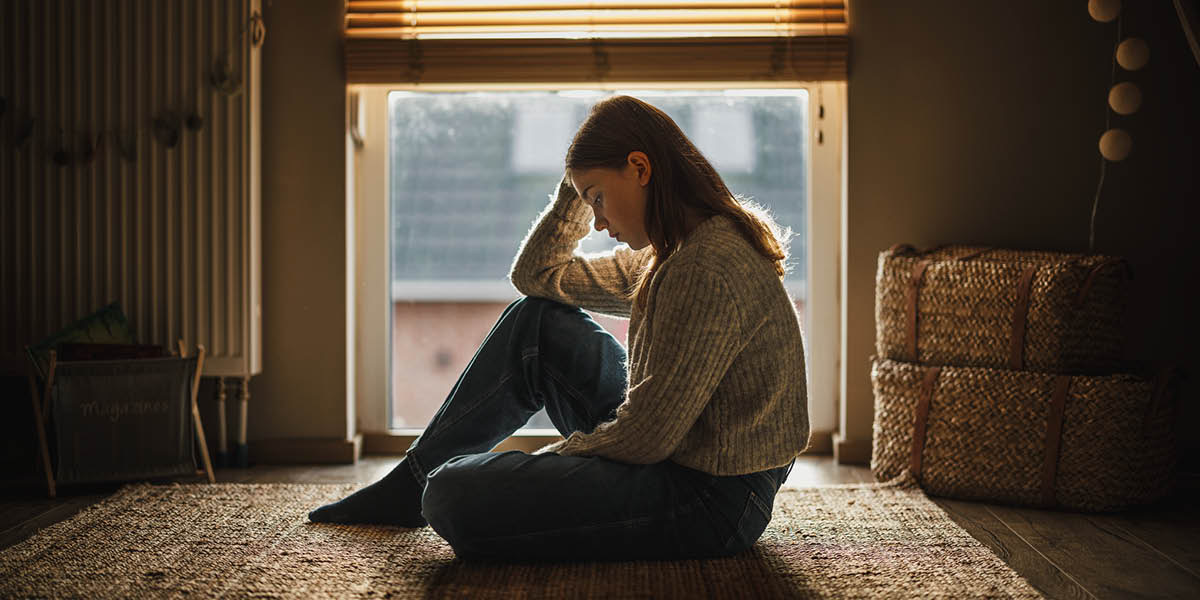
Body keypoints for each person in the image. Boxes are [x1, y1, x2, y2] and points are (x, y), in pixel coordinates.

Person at [308, 95, 810, 563]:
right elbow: (538, 277)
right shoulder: (667, 252)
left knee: (449, 493)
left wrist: (559, 461)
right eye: (586, 204)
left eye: (597, 200)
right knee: (536, 323)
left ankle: (421, 487)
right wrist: (577, 187)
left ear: (640, 169)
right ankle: (409, 483)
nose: (595, 223)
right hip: (675, 447)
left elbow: (647, 440)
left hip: (710, 497)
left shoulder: (706, 267)